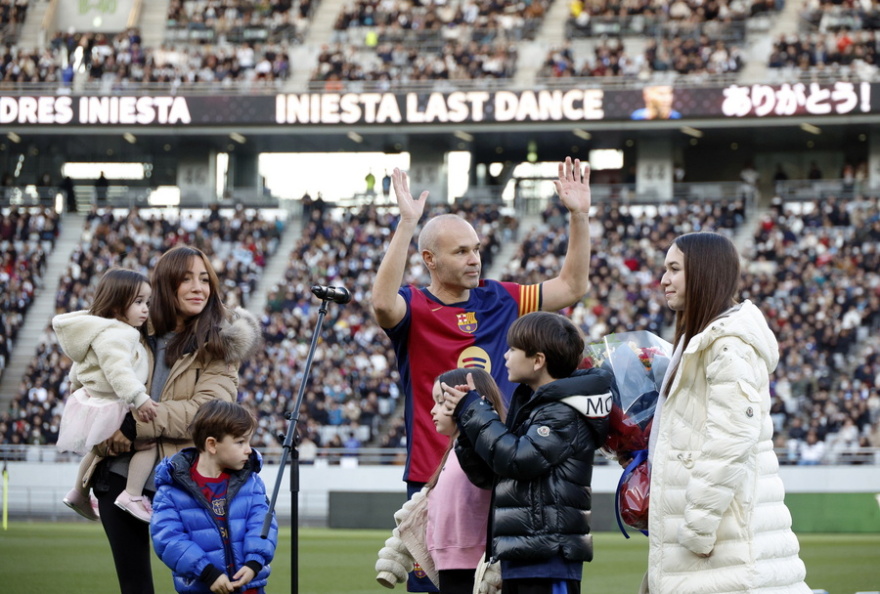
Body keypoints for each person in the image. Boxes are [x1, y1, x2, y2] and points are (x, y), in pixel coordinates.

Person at [371, 156, 594, 494]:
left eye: (475, 249)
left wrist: (578, 216)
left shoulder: (501, 297)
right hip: (433, 472)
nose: (474, 259)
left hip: (499, 465)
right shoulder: (414, 307)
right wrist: (407, 223)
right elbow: (383, 304)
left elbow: (572, 287)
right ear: (430, 259)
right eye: (461, 252)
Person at [88, 245, 262, 594]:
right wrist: (110, 434)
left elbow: (206, 413)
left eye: (204, 279)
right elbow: (90, 395)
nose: (199, 287)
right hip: (119, 476)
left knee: (200, 584)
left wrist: (131, 426)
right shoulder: (127, 331)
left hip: (186, 483)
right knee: (135, 586)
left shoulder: (221, 345)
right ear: (166, 285)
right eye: (186, 279)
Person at [645, 232, 811, 593]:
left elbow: (732, 438)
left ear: (704, 272)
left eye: (674, 269)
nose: (663, 280)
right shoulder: (702, 339)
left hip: (721, 547)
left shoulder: (728, 344)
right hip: (715, 548)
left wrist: (696, 529)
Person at [442, 311, 613, 594]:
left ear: (537, 360)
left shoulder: (562, 411)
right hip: (521, 554)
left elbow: (518, 459)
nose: (506, 356)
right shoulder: (533, 408)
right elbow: (491, 475)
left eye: (512, 349)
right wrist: (468, 424)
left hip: (549, 559)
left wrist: (476, 412)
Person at [376, 368, 507, 593]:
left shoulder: (484, 448)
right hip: (450, 563)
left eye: (441, 402)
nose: (433, 410)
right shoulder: (454, 452)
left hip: (472, 565)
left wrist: (476, 411)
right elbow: (426, 506)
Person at [55, 268, 159, 523]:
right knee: (149, 443)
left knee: (98, 452)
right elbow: (118, 370)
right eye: (138, 302)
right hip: (113, 403)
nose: (145, 309)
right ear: (115, 305)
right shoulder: (118, 334)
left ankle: (78, 492)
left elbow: (81, 363)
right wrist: (139, 397)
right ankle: (132, 495)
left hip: (97, 401)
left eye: (147, 302)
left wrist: (75, 385)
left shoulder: (100, 330)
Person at [151, 399, 278, 594]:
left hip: (250, 588)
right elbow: (168, 539)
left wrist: (254, 562)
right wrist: (207, 572)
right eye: (240, 442)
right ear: (212, 444)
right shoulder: (171, 490)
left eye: (249, 441)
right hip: (203, 587)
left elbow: (263, 523)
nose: (249, 449)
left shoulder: (251, 483)